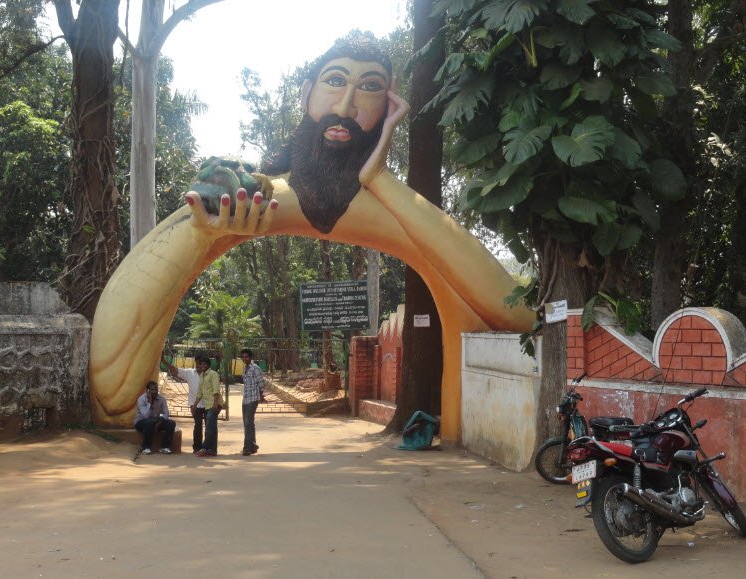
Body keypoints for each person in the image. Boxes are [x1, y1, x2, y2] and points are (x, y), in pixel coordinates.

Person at [88, 32, 534, 442]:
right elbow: (113, 393)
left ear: (387, 108)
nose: (345, 106)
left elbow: (515, 312)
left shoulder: (400, 212)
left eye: (370, 87)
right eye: (335, 81)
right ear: (306, 94)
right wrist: (203, 236)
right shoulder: (253, 195)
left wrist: (378, 176)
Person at [163, 354, 210, 453]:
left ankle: (208, 447)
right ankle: (197, 448)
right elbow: (174, 370)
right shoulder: (189, 373)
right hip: (194, 405)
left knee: (209, 426)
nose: (199, 366)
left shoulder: (209, 374)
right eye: (197, 364)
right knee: (198, 426)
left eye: (201, 364)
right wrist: (163, 361)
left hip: (208, 404)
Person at [190, 355, 223, 457]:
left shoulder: (213, 374)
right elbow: (200, 392)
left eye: (205, 364)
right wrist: (194, 405)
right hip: (207, 405)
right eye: (201, 364)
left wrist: (215, 404)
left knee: (209, 427)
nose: (203, 365)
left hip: (214, 404)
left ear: (209, 365)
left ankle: (204, 448)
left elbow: (216, 390)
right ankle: (212, 450)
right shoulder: (202, 375)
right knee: (212, 427)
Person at [134, 381, 176, 454]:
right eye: (152, 390)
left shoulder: (161, 399)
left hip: (156, 422)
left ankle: (164, 447)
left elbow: (166, 413)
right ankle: (146, 447)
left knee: (171, 423)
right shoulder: (141, 399)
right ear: (147, 390)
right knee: (150, 422)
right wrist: (149, 402)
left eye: (156, 389)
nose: (155, 392)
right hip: (141, 422)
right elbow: (145, 416)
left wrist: (161, 421)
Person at [239, 348, 266, 456]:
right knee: (248, 424)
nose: (245, 358)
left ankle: (247, 448)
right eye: (243, 357)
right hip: (245, 399)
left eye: (246, 356)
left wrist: (260, 395)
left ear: (250, 357)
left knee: (248, 423)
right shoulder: (245, 368)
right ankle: (253, 445)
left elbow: (262, 383)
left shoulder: (255, 368)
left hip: (253, 399)